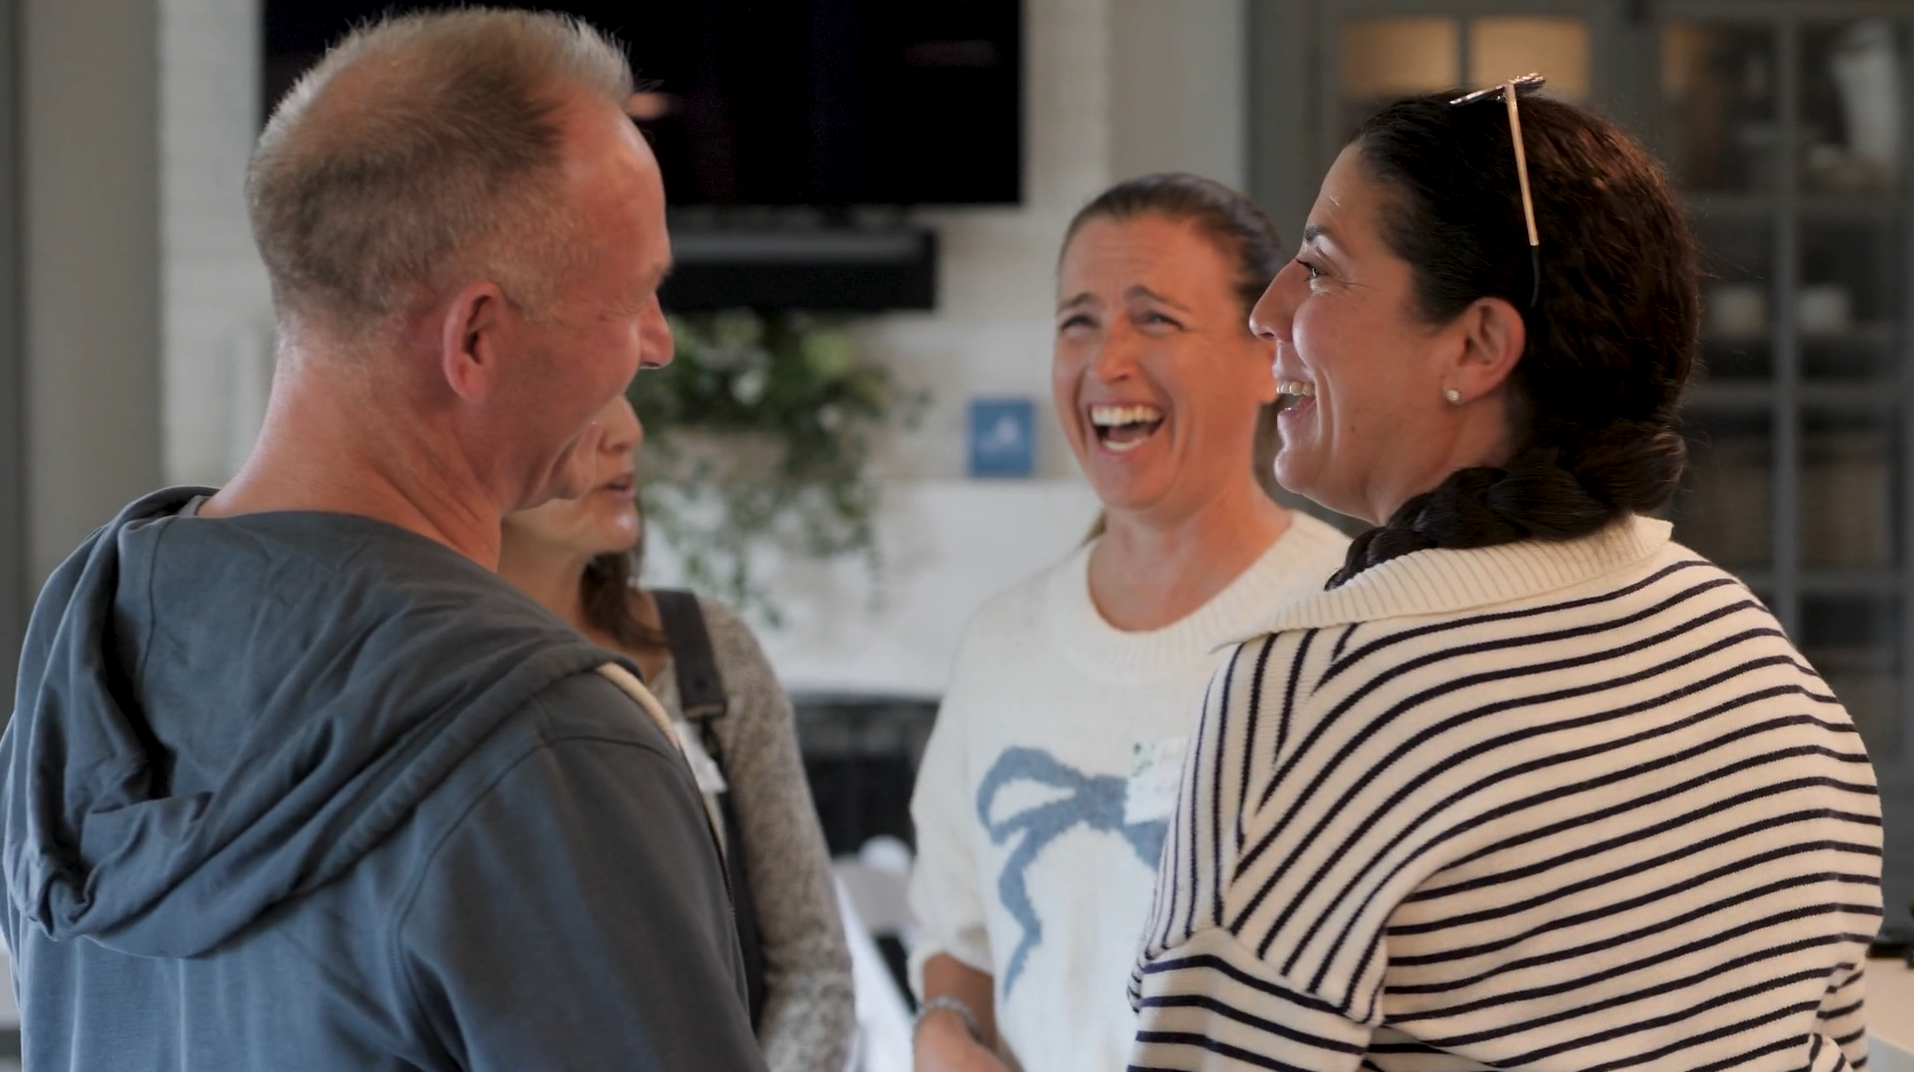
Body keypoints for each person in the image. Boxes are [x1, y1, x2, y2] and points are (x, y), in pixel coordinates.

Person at [0, 11, 767, 1071]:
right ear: (477, 337)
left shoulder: (81, 661)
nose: (658, 343)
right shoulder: (554, 744)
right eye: (633, 296)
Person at [1130, 82, 1884, 1071]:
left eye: (1317, 269)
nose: (1268, 311)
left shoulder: (1313, 691)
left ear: (1477, 344)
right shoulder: (1761, 662)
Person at [908, 173, 1351, 1072]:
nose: (1106, 361)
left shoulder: (1344, 628)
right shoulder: (1003, 644)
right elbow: (958, 941)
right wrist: (943, 1030)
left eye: (1154, 319)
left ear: (1267, 359)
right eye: (1078, 320)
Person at [496, 393, 856, 1072]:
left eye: (625, 394)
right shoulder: (424, 678)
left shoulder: (709, 656)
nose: (628, 433)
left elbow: (814, 968)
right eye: (587, 400)